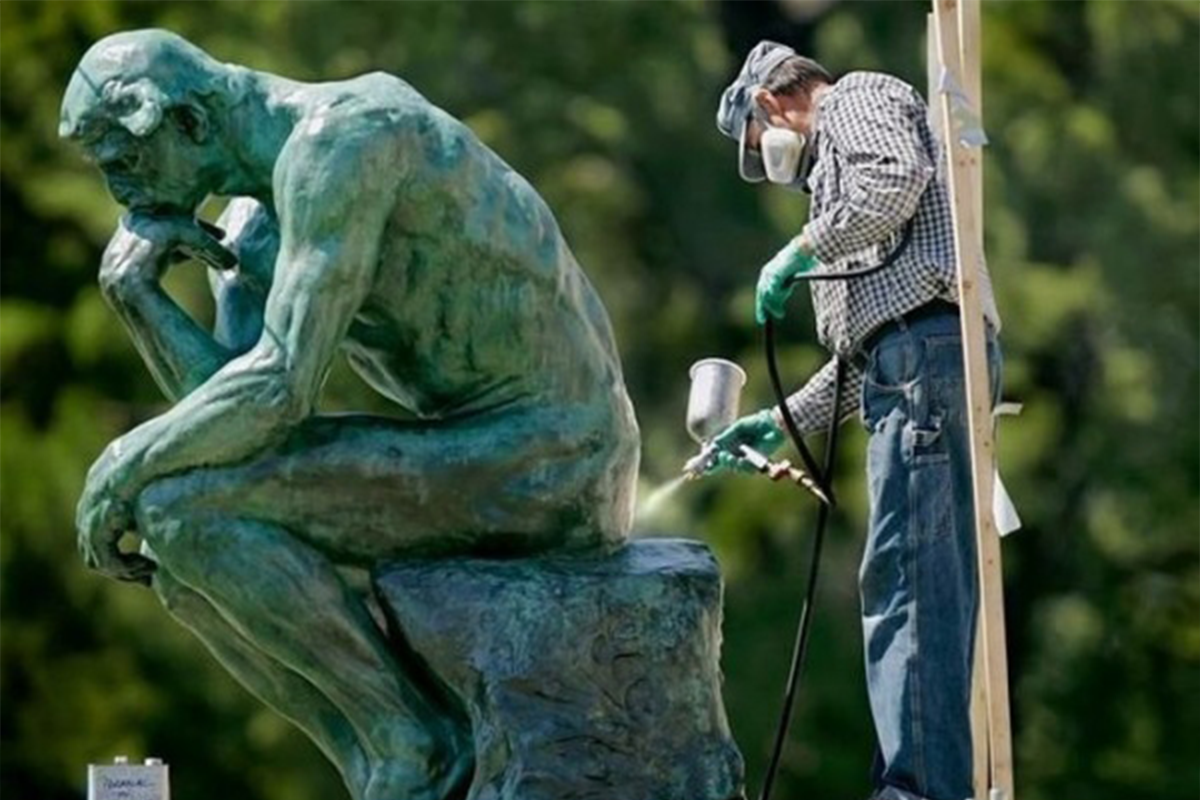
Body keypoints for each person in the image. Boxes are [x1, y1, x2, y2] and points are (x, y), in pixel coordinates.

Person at [61, 29, 639, 800]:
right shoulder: (251, 226)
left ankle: (416, 752)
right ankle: (386, 759)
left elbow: (279, 391)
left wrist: (120, 465)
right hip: (478, 449)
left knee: (178, 510)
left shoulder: (349, 138)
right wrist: (137, 300)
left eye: (126, 162)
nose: (122, 195)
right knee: (182, 539)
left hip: (557, 455)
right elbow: (230, 430)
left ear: (190, 123)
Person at [707, 41, 1003, 800]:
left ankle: (919, 792)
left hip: (925, 362)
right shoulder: (840, 188)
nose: (776, 165)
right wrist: (779, 421)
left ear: (770, 106)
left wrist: (800, 249)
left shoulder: (856, 100)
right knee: (910, 579)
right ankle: (914, 780)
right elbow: (867, 351)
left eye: (755, 144)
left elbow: (894, 180)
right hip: (909, 367)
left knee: (910, 581)